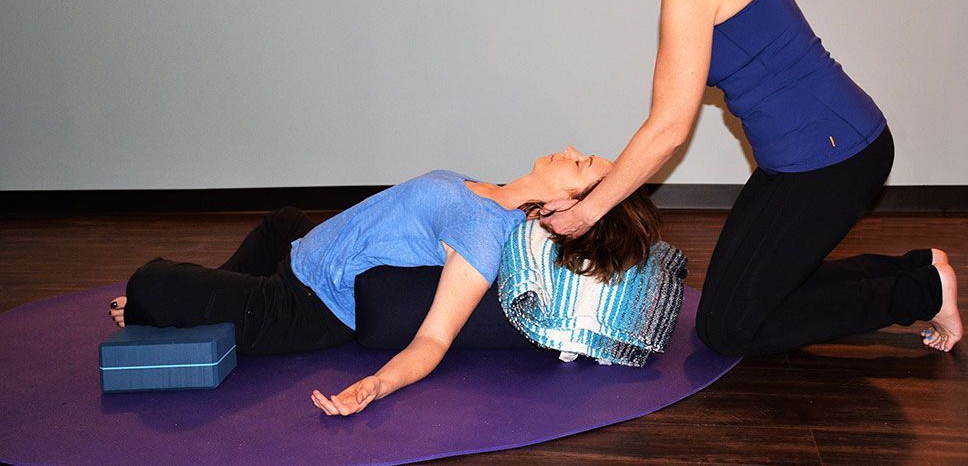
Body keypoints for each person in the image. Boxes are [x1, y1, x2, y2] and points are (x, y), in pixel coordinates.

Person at [541, 0, 962, 356]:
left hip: (836, 158)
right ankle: (920, 272)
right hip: (800, 161)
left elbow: (669, 128)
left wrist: (587, 214)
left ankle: (920, 290)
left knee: (729, 329)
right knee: (734, 303)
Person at [107, 146, 660, 416]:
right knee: (281, 220)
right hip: (304, 254)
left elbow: (434, 339)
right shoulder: (490, 190)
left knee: (148, 282)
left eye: (583, 164)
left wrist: (378, 385)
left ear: (566, 206)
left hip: (304, 303)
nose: (571, 150)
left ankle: (199, 309)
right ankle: (212, 313)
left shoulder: (484, 232)